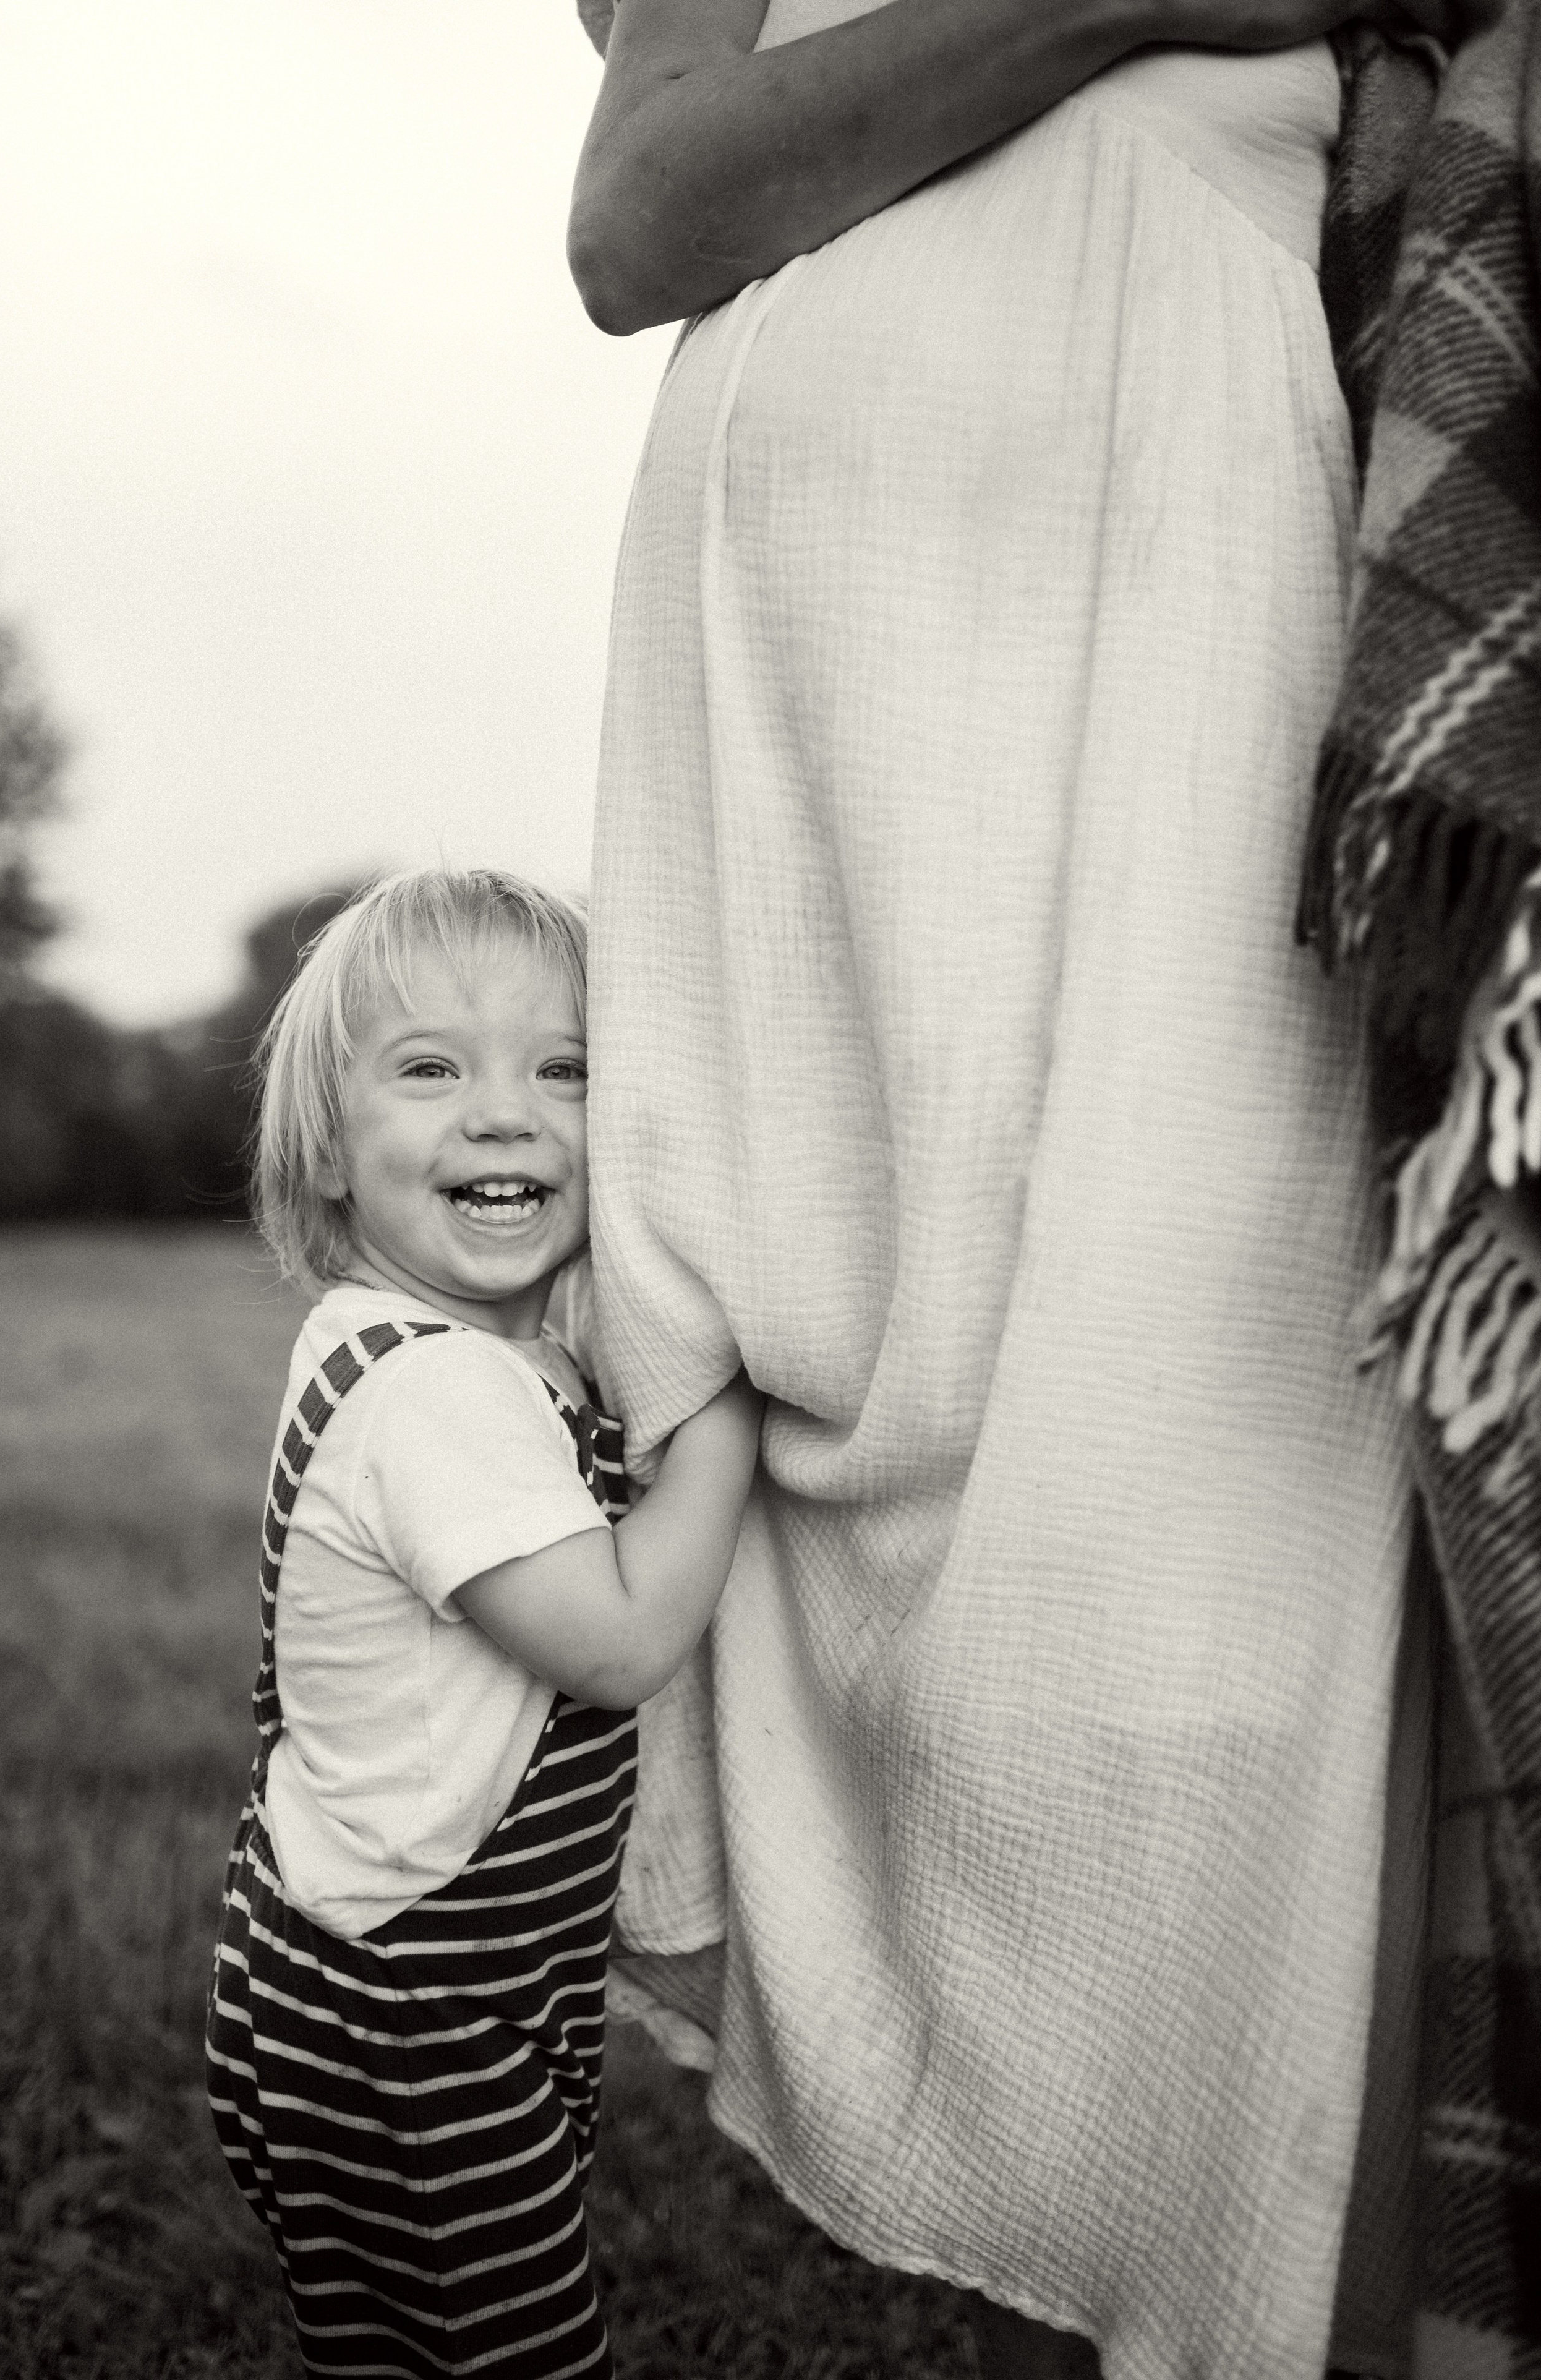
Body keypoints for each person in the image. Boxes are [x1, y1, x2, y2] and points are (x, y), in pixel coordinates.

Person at [566, 3, 1490, 2375]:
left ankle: (1300, 2264)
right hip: (840, 722)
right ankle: (1074, 2197)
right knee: (838, 1406)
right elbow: (646, 210)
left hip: (1219, 575)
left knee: (1239, 1466)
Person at [203, 867, 762, 2380]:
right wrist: (722, 1421)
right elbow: (621, 1637)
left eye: (563, 1067)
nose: (505, 1112)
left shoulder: (462, 1359)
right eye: (431, 1066)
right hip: (404, 2014)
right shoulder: (429, 1387)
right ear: (329, 1154)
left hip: (393, 1980)